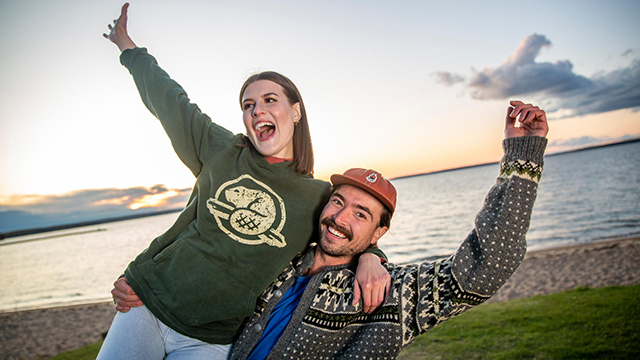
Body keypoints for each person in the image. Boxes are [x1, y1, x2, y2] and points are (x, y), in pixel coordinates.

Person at [114, 100, 549, 359]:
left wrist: (521, 156)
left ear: (379, 232)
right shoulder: (282, 261)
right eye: (338, 202)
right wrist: (148, 288)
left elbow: (485, 268)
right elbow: (216, 245)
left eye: (362, 215)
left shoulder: (387, 298)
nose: (341, 218)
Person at [98, 3, 389, 359]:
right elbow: (168, 100)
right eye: (248, 105)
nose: (257, 111)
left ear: (295, 111)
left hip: (213, 340)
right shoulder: (221, 149)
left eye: (270, 100)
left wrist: (372, 258)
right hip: (148, 305)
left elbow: (346, 232)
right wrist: (127, 47)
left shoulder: (317, 196)